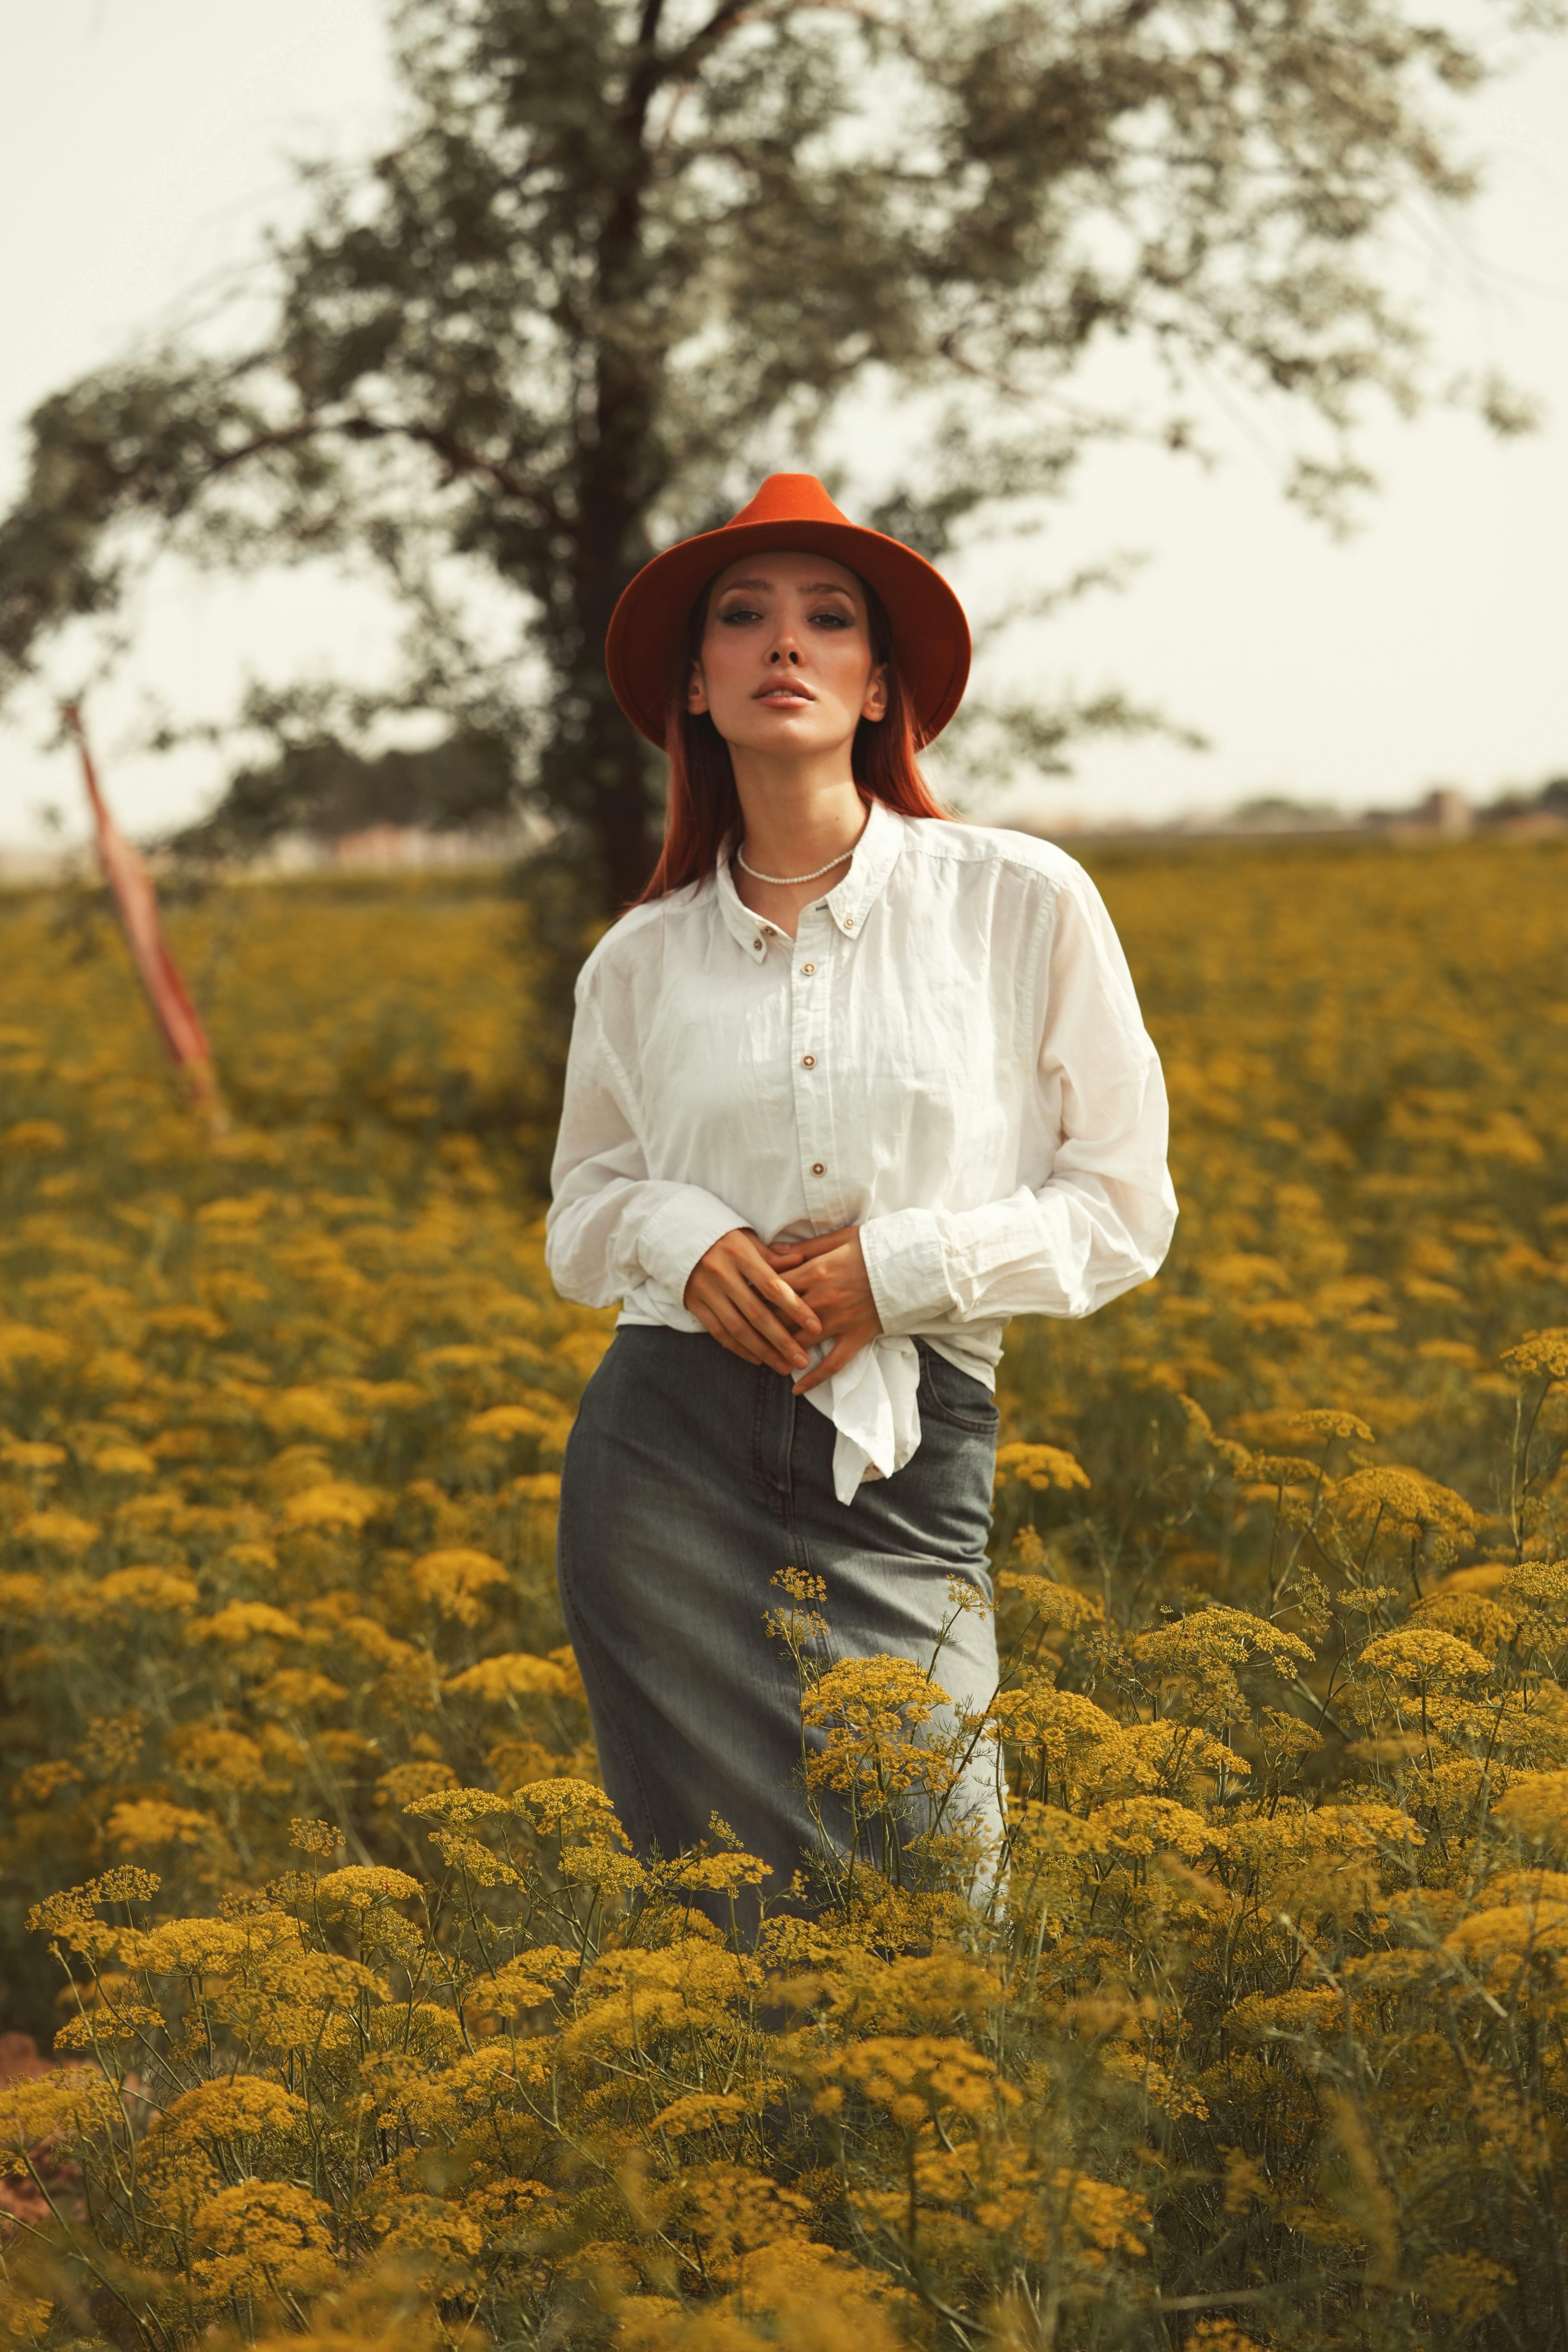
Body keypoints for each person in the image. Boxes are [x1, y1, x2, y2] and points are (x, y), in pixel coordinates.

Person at [545, 473, 1176, 1921]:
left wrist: (901, 1271)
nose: (786, 644)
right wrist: (682, 1236)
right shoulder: (637, 960)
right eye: (743, 618)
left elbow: (1122, 1207)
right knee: (722, 1913)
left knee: (944, 1899)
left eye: (829, 620)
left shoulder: (1020, 899)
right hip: (663, 1462)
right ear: (695, 687)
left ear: (879, 682)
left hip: (907, 1457)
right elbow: (583, 1211)